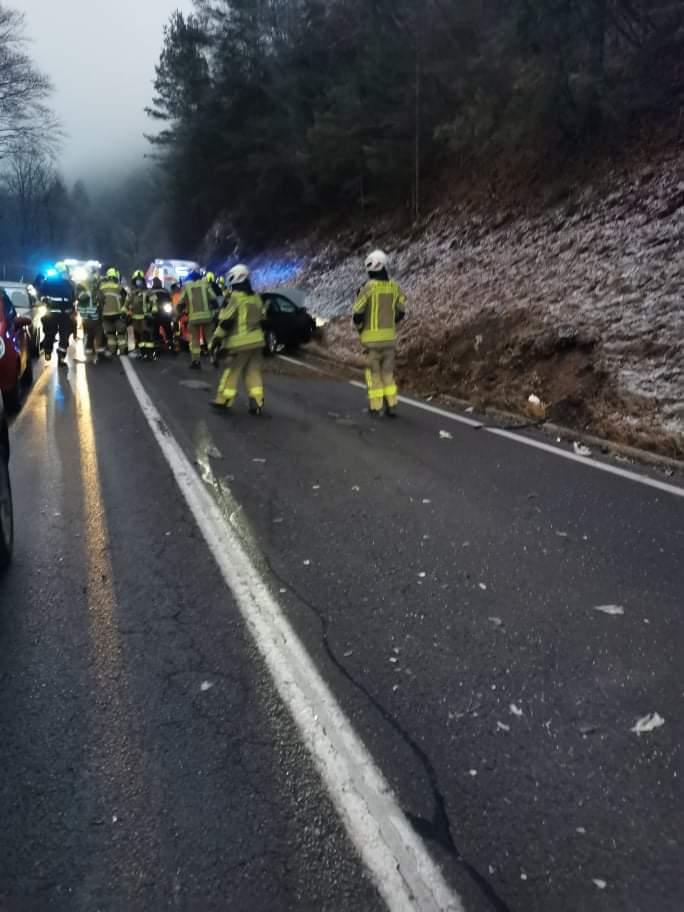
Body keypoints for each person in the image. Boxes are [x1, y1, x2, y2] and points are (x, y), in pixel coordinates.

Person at [352, 249, 406, 417]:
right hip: (389, 339)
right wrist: (391, 323)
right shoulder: (394, 287)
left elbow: (357, 313)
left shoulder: (368, 288)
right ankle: (392, 405)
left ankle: (376, 406)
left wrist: (361, 328)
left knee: (374, 374)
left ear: (372, 267)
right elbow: (401, 311)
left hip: (372, 342)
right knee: (388, 374)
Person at [210, 264, 266, 415]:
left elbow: (225, 321)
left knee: (232, 371)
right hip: (257, 342)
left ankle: (223, 400)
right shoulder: (255, 297)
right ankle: (257, 402)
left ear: (236, 278)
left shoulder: (234, 297)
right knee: (253, 371)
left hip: (239, 344)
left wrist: (215, 339)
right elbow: (263, 316)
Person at [175, 271, 217, 369]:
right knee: (210, 338)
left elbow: (180, 302)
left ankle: (196, 362)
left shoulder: (187, 287)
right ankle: (214, 357)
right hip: (207, 317)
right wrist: (214, 310)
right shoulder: (206, 285)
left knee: (194, 340)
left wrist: (179, 312)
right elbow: (214, 299)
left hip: (193, 319)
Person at [39, 265, 77, 367]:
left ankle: (59, 357)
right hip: (55, 314)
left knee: (62, 337)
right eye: (65, 272)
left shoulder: (69, 283)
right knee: (51, 334)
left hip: (63, 315)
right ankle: (49, 351)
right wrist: (44, 299)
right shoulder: (50, 282)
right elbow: (40, 294)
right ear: (61, 273)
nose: (66, 274)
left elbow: (74, 298)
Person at [96, 267, 128, 358]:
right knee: (121, 334)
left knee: (110, 334)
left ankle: (112, 351)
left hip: (105, 315)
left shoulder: (101, 287)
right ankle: (122, 351)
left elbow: (98, 299)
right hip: (117, 314)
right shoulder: (119, 286)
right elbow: (125, 298)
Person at [78, 266, 104, 364]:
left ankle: (98, 353)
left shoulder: (98, 284)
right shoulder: (81, 285)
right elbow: (80, 297)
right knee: (90, 335)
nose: (94, 275)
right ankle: (90, 355)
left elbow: (102, 298)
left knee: (98, 334)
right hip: (88, 316)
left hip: (95, 315)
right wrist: (89, 293)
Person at [128, 270, 156, 359]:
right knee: (138, 337)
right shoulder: (132, 293)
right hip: (135, 319)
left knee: (146, 335)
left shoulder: (148, 292)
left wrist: (152, 312)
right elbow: (127, 304)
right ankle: (142, 353)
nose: (138, 282)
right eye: (137, 280)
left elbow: (154, 302)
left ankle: (149, 354)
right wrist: (125, 313)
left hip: (145, 318)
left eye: (140, 280)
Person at [150, 277, 174, 352]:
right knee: (167, 328)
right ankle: (167, 341)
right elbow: (170, 300)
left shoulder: (152, 291)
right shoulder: (164, 291)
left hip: (157, 313)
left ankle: (164, 342)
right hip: (162, 312)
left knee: (157, 328)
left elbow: (170, 301)